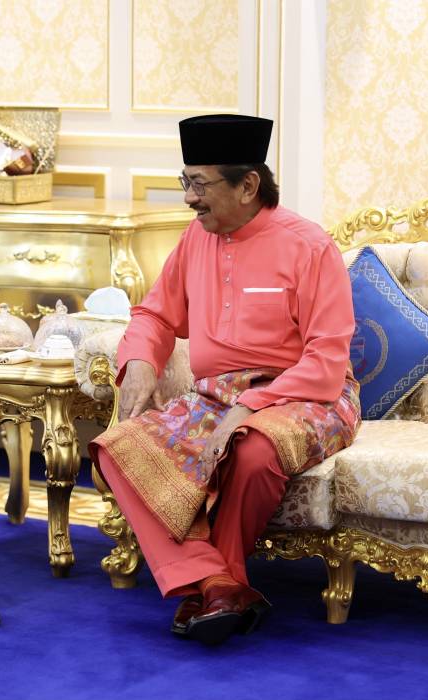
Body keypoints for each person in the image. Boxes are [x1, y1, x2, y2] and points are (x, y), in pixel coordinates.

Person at [89, 114, 360, 646]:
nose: (188, 197)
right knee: (115, 447)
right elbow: (155, 315)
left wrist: (255, 404)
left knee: (254, 448)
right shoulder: (195, 238)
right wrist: (140, 360)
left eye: (199, 184)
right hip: (215, 395)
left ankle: (216, 586)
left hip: (307, 393)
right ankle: (216, 584)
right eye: (184, 181)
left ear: (248, 185)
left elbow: (327, 359)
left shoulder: (310, 247)